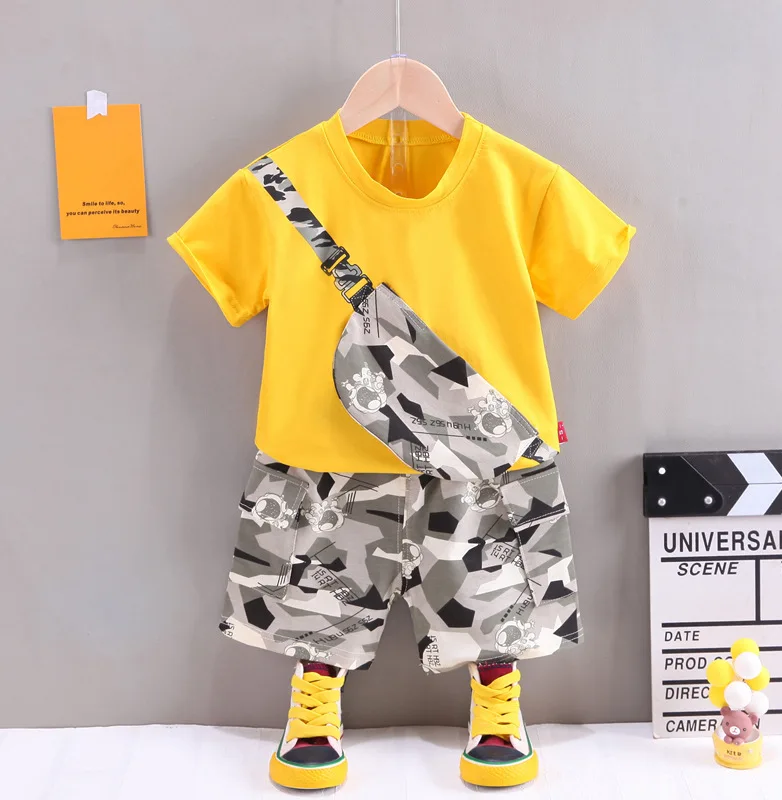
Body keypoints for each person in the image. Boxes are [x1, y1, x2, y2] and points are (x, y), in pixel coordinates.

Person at [168, 111, 634, 789]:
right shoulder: (276, 182)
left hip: (473, 451)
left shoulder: (522, 183)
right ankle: (315, 695)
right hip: (329, 447)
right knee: (318, 608)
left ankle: (496, 697)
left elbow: (584, 267)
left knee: (493, 600)